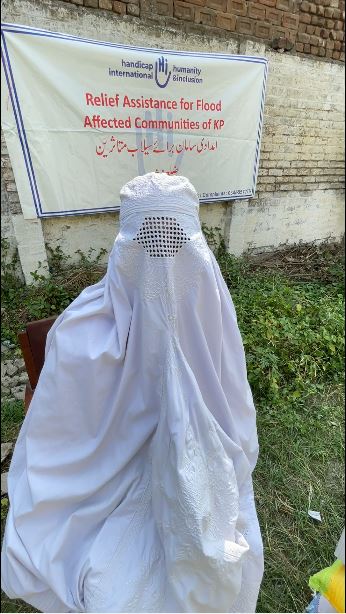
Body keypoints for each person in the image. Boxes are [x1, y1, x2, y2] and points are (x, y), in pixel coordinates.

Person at [1, 172, 264, 613]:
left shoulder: (209, 305)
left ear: (195, 243)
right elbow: (63, 424)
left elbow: (230, 395)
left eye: (174, 240)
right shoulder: (84, 328)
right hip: (108, 482)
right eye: (148, 240)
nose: (161, 258)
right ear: (125, 246)